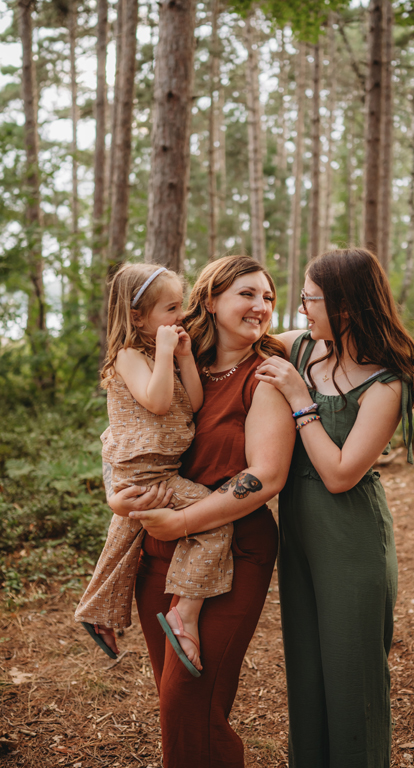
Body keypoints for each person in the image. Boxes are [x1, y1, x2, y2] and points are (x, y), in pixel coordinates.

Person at [106, 255, 295, 768]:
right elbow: (122, 438)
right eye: (247, 294)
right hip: (158, 549)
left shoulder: (264, 377)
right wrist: (117, 497)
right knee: (174, 701)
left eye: (268, 297)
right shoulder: (170, 364)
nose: (261, 306)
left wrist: (184, 521)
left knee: (190, 703)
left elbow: (266, 477)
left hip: (232, 547)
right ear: (209, 301)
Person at [255, 248, 414, 768]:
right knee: (306, 671)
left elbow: (339, 474)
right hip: (298, 535)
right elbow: (235, 340)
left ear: (347, 306)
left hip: (352, 538)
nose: (301, 309)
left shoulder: (387, 382)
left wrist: (300, 399)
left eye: (310, 298)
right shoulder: (299, 346)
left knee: (352, 674)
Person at [75, 263, 234, 675]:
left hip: (156, 469)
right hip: (148, 472)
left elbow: (192, 404)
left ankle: (98, 613)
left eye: (180, 305)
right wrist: (165, 354)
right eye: (171, 308)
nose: (180, 316)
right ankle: (185, 611)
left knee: (124, 541)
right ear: (137, 317)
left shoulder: (160, 355)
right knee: (215, 521)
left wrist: (183, 357)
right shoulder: (129, 356)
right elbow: (158, 402)